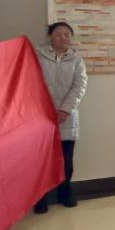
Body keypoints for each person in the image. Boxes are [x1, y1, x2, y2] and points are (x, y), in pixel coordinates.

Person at [35, 22, 89, 213]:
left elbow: (80, 86)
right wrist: (42, 108)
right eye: (59, 34)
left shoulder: (76, 59)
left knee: (66, 159)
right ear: (50, 36)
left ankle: (65, 192)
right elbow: (30, 80)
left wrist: (66, 110)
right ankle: (41, 197)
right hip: (40, 114)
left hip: (67, 116)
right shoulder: (38, 54)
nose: (63, 38)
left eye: (67, 34)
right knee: (41, 160)